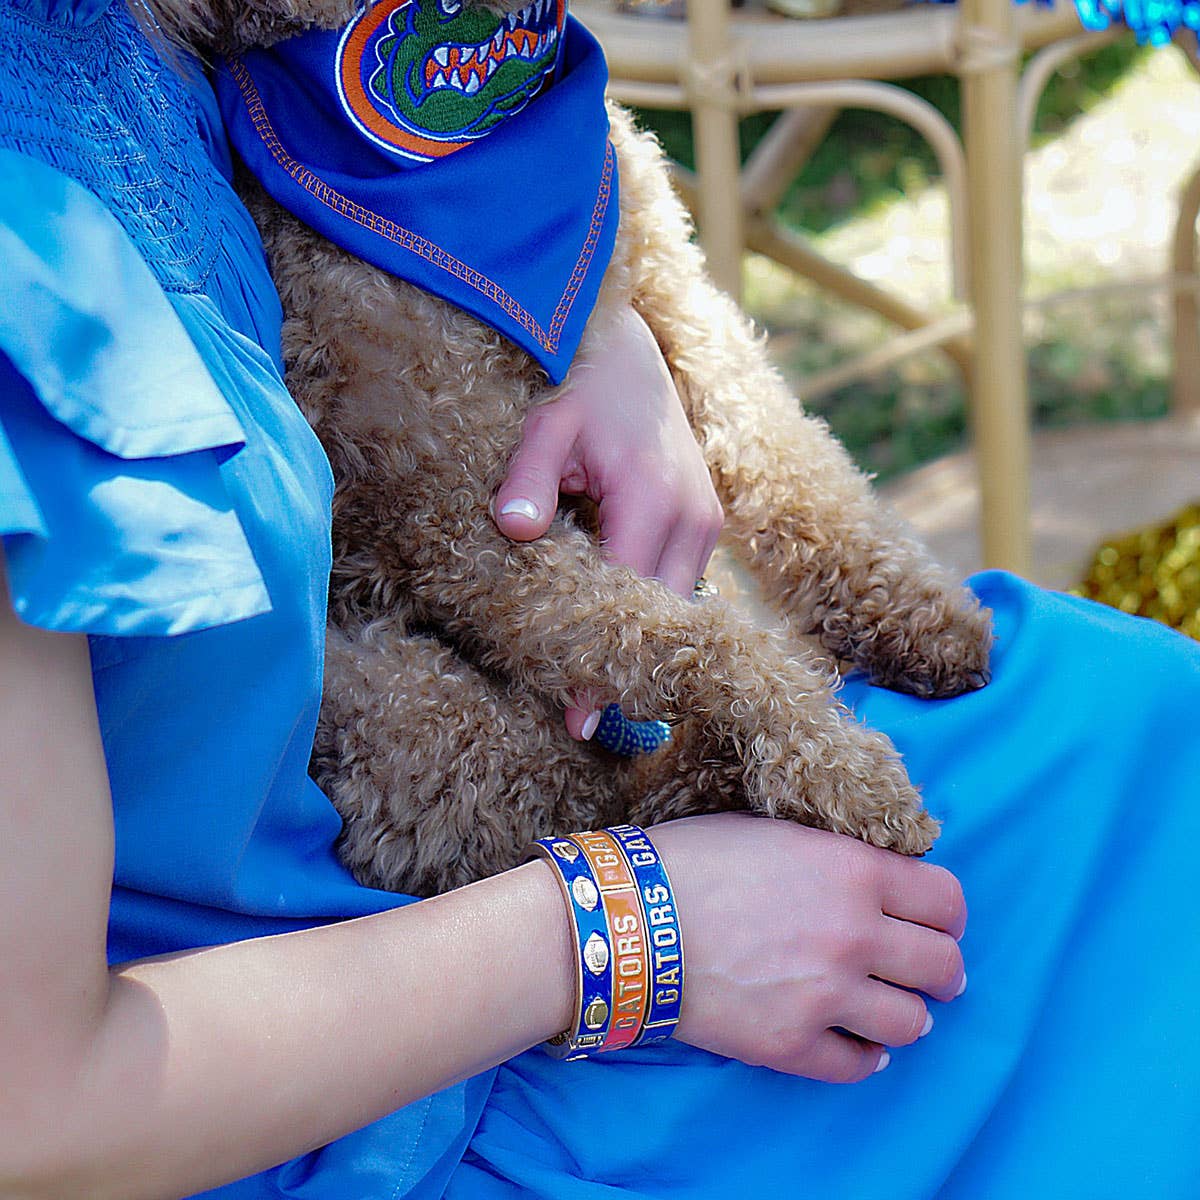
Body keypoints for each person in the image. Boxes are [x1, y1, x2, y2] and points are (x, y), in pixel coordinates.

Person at [1, 0, 1198, 1197]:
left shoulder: (129, 38)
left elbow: (372, 182)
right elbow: (37, 1124)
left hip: (479, 920)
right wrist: (632, 928)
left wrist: (591, 321)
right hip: (362, 1092)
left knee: (1133, 720)